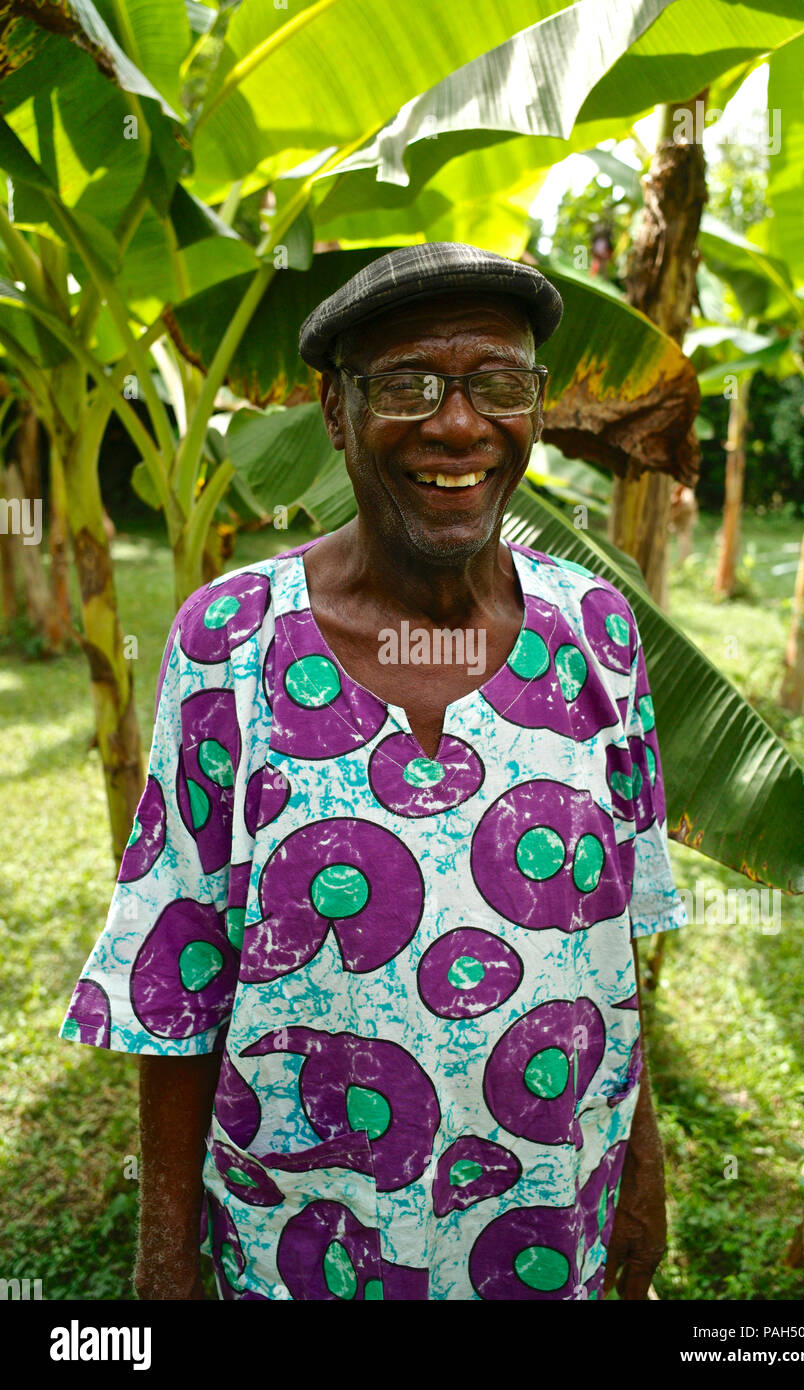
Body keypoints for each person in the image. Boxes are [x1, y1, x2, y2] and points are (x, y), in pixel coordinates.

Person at [61, 242, 687, 1301]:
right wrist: (165, 1259)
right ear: (336, 411)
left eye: (498, 383)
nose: (457, 425)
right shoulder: (231, 641)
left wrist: (642, 1168)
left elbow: (612, 941)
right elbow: (177, 972)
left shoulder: (598, 633)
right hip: (304, 1248)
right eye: (406, 384)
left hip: (541, 1226)